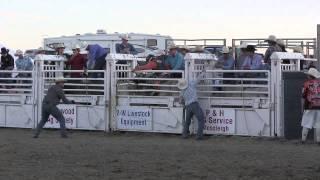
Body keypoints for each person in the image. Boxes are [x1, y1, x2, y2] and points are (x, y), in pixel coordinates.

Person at [178, 69, 206, 140]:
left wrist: (183, 103)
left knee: (187, 121)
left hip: (188, 106)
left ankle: (185, 134)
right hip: (194, 104)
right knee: (201, 119)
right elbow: (198, 79)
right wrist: (202, 73)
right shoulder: (191, 84)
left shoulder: (182, 91)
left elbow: (180, 101)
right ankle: (199, 136)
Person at [300, 68, 320, 144]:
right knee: (318, 124)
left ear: (309, 76)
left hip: (309, 106)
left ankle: (303, 140)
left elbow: (303, 97)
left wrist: (302, 108)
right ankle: (319, 141)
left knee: (306, 123)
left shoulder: (306, 84)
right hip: (319, 106)